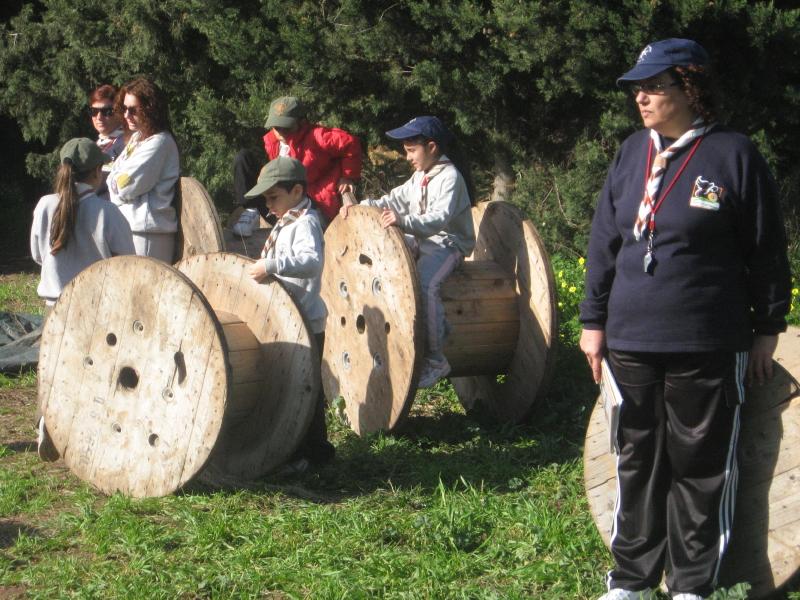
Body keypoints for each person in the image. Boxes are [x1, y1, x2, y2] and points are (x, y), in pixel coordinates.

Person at [579, 39, 792, 600]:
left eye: (654, 86)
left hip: (706, 340)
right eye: (637, 88)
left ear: (690, 87)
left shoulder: (733, 155)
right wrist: (593, 321)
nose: (641, 97)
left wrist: (769, 328)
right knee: (636, 461)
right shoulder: (631, 153)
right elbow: (604, 243)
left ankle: (691, 585)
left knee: (701, 465)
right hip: (630, 340)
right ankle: (630, 580)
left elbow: (767, 250)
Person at [342, 116, 476, 388]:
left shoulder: (450, 178)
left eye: (412, 151)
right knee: (395, 268)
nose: (408, 157)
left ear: (432, 147)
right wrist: (363, 206)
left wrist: (403, 221)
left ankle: (436, 359)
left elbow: (438, 220)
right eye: (406, 151)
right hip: (423, 239)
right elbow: (394, 199)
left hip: (448, 244)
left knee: (425, 285)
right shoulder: (420, 176)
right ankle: (415, 331)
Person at [30, 137, 135, 461]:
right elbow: (128, 262)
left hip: (55, 304)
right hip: (97, 306)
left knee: (54, 366)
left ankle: (47, 421)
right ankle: (90, 431)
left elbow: (37, 254)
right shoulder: (107, 212)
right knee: (94, 369)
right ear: (97, 172)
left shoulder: (45, 205)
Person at [244, 156, 334, 471]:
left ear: (296, 191)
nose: (268, 206)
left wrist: (272, 265)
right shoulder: (287, 220)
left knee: (306, 388)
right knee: (295, 385)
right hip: (290, 318)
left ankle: (314, 454)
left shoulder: (306, 223)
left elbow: (311, 261)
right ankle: (298, 451)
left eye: (273, 197)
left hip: (306, 320)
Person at [232, 96, 362, 236]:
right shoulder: (272, 141)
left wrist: (347, 176)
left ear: (301, 122)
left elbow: (351, 144)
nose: (280, 132)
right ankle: (251, 210)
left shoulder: (318, 136)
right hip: (280, 203)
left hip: (313, 205)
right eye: (277, 127)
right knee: (243, 158)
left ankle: (290, 228)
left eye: (286, 127)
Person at [107, 77, 180, 262]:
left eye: (133, 110)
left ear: (150, 109)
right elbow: (111, 179)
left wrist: (116, 183)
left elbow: (125, 187)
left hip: (149, 233)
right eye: (124, 108)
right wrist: (116, 182)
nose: (126, 115)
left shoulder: (159, 142)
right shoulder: (136, 138)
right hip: (130, 227)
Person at [88, 83, 128, 199]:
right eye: (94, 111)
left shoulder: (127, 143)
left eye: (107, 111)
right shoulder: (96, 144)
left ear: (120, 112)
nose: (99, 117)